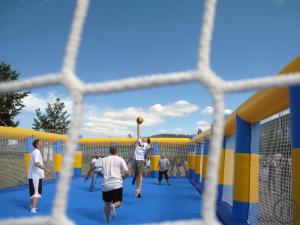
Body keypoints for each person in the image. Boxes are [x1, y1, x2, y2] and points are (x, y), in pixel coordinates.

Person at [101, 146, 129, 223]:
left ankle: (108, 221)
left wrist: (88, 174)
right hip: (117, 184)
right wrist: (123, 177)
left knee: (106, 203)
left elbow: (94, 166)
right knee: (118, 202)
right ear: (117, 151)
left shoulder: (104, 159)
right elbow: (127, 173)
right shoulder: (120, 159)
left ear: (109, 151)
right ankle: (113, 206)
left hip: (106, 185)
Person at [27, 140, 52, 213]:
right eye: (41, 143)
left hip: (33, 175)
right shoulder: (36, 152)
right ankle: (33, 208)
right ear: (37, 144)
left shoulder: (35, 152)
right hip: (36, 176)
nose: (42, 143)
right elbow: (37, 163)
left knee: (33, 191)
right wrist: (47, 170)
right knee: (36, 192)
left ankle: (32, 206)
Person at [132, 122, 152, 198]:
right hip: (135, 160)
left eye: (146, 138)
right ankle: (138, 191)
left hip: (141, 161)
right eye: (145, 137)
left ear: (147, 140)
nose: (145, 137)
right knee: (137, 176)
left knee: (140, 175)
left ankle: (139, 189)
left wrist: (150, 143)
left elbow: (151, 148)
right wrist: (138, 125)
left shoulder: (147, 145)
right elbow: (138, 133)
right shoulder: (139, 140)